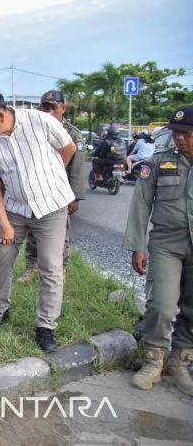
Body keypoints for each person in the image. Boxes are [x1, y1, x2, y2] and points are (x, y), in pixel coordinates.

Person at [0, 90, 77, 353]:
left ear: (2, 113)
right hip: (16, 208)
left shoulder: (39, 121)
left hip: (52, 206)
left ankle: (45, 327)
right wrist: (4, 222)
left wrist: (51, 177)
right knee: (3, 256)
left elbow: (68, 148)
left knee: (50, 266)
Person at [124, 105, 193, 396]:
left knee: (191, 309)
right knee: (162, 306)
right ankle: (153, 360)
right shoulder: (157, 162)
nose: (179, 139)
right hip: (166, 244)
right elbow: (141, 205)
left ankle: (180, 361)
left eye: (186, 133)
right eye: (176, 133)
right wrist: (138, 246)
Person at [19, 90, 86, 283]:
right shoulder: (33, 130)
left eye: (53, 107)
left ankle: (60, 270)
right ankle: (32, 267)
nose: (49, 112)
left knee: (60, 235)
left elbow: (77, 168)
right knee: (32, 230)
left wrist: (75, 196)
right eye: (45, 107)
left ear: (63, 108)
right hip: (37, 190)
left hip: (60, 193)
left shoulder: (73, 133)